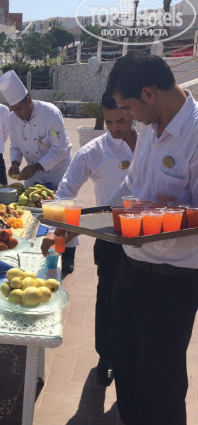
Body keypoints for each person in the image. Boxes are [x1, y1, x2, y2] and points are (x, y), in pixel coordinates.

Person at [100, 52, 198, 425]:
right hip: (133, 265)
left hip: (173, 278)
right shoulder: (150, 130)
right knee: (126, 358)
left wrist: (155, 216)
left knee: (161, 374)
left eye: (129, 108)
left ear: (149, 93)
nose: (127, 118)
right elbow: (130, 188)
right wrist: (94, 218)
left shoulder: (194, 133)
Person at [41, 92, 137, 383]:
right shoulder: (95, 151)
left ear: (132, 113)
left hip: (148, 237)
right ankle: (106, 356)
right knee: (108, 298)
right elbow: (66, 189)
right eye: (109, 121)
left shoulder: (151, 142)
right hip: (110, 236)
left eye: (121, 121)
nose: (115, 127)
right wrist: (56, 228)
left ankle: (133, 357)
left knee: (139, 301)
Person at [0, 70, 75, 272]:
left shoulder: (50, 114)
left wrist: (36, 167)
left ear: (29, 101)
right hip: (32, 174)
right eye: (13, 109)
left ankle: (68, 255)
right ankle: (34, 252)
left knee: (61, 216)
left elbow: (59, 149)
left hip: (57, 171)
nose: (17, 113)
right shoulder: (13, 119)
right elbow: (15, 145)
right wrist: (15, 162)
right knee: (31, 214)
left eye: (20, 108)